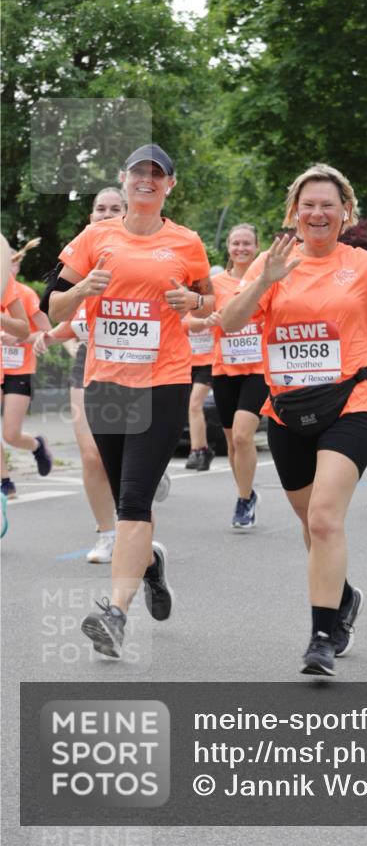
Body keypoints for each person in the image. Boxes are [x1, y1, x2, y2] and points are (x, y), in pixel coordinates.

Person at [221, 164, 367, 676]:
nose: (317, 213)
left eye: (328, 205)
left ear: (345, 213)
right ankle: (343, 597)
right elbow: (230, 322)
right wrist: (264, 282)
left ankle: (322, 637)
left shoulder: (363, 264)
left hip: (352, 403)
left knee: (323, 518)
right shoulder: (273, 262)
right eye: (308, 205)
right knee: (310, 524)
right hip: (287, 410)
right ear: (294, 212)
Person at [49, 144, 213, 659]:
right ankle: (150, 563)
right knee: (126, 504)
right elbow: (53, 306)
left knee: (136, 500)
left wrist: (195, 301)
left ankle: (115, 614)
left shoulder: (185, 242)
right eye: (139, 172)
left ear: (170, 185)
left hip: (163, 382)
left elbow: (211, 299)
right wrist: (82, 290)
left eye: (157, 174)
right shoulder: (95, 237)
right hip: (106, 382)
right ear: (123, 180)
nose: (147, 179)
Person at [35, 188, 125, 561]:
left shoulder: (141, 256)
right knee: (90, 454)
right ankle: (107, 533)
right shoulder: (78, 259)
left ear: (127, 214)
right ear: (90, 217)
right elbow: (68, 314)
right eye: (100, 208)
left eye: (115, 208)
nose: (106, 214)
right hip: (89, 358)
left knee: (123, 453)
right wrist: (51, 334)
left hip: (133, 362)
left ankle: (133, 516)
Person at [192, 223, 267, 528]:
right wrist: (205, 319)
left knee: (242, 435)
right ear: (228, 247)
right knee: (232, 443)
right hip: (224, 368)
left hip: (258, 369)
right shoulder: (215, 284)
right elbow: (190, 318)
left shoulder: (265, 280)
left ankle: (243, 500)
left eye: (247, 243)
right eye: (236, 243)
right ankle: (246, 493)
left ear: (257, 247)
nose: (241, 248)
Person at [1, 241, 53, 499]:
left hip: (19, 370)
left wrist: (19, 339)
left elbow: (48, 332)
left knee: (11, 434)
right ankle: (5, 481)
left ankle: (36, 445)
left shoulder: (24, 294)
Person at [182, 313, 215, 472]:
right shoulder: (183, 307)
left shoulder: (213, 305)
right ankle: (202, 450)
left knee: (195, 404)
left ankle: (198, 450)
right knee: (191, 407)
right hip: (186, 362)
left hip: (208, 363)